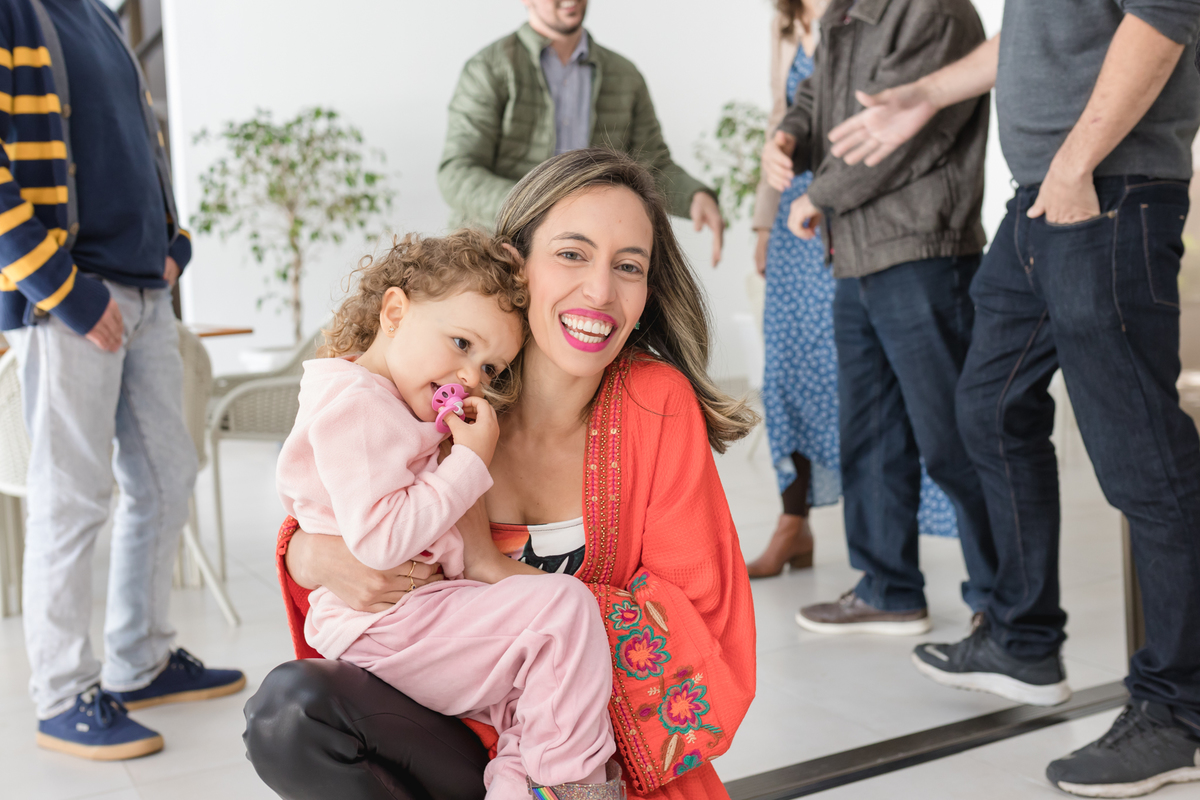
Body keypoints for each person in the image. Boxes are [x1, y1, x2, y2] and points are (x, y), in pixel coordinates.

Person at [244, 148, 758, 800]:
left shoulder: (655, 402)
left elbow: (701, 617)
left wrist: (493, 570)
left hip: (587, 745)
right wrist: (308, 557)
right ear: (517, 265)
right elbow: (337, 502)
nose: (600, 291)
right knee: (291, 710)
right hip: (447, 727)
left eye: (629, 267)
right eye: (572, 254)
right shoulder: (444, 397)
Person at [827, 2, 1200, 795]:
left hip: (1106, 188)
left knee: (1145, 465)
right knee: (987, 409)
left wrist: (1076, 163)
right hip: (1040, 201)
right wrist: (924, 93)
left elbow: (1165, 18)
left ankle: (1179, 713)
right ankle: (1024, 641)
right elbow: (1028, 38)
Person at [276, 228, 621, 798]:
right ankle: (574, 786)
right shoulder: (358, 405)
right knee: (564, 609)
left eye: (490, 368)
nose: (470, 378)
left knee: (532, 698)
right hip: (383, 625)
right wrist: (468, 462)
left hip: (409, 614)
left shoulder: (382, 401)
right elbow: (382, 542)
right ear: (393, 311)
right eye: (462, 344)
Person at [0, 0, 243, 761]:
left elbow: (141, 145)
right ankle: (64, 694)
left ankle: (139, 661)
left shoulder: (102, 17)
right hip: (69, 298)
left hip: (145, 287)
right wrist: (63, 289)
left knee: (169, 475)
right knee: (72, 496)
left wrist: (175, 242)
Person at [759, 0, 997, 634]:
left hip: (923, 251)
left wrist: (819, 194)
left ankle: (1002, 607)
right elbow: (816, 97)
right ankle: (888, 587)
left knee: (956, 438)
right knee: (870, 433)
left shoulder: (934, 10)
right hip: (856, 257)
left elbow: (902, 138)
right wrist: (787, 134)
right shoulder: (844, 14)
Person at [437, 0, 725, 267]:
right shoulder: (489, 68)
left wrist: (695, 196)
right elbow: (457, 173)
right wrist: (538, 209)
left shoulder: (625, 75)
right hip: (496, 255)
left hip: (584, 259)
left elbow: (651, 166)